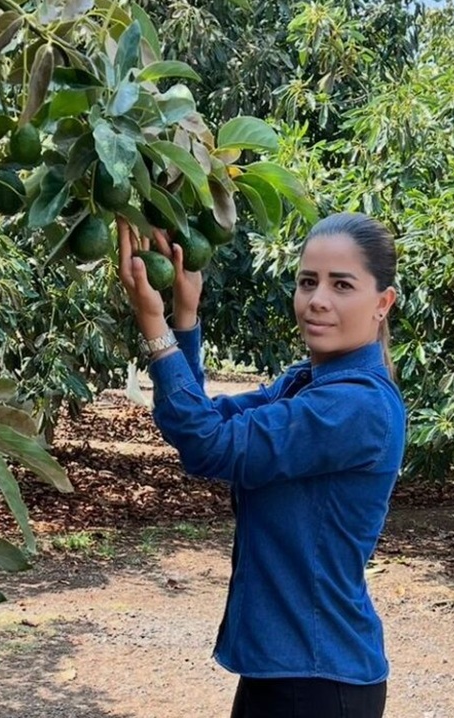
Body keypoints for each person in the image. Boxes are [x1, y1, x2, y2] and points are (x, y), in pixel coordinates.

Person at [117, 212, 406, 718]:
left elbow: (209, 445)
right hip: (288, 670)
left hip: (316, 681)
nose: (317, 299)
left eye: (342, 285)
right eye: (307, 281)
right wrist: (185, 318)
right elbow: (199, 422)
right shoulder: (307, 382)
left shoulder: (354, 407)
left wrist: (154, 324)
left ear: (383, 302)